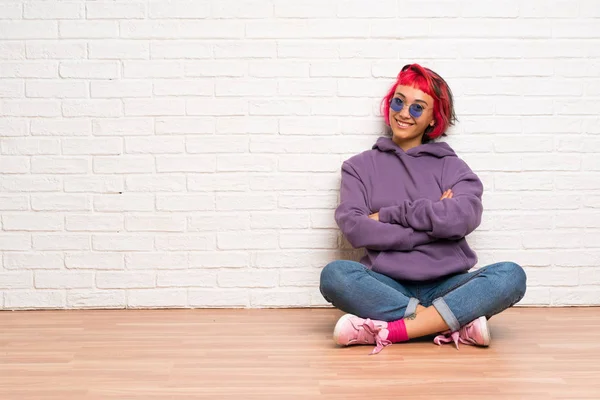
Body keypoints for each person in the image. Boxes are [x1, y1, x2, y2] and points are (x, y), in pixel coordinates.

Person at [319, 63, 527, 355]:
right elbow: (355, 228)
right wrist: (435, 225)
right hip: (386, 285)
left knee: (511, 276)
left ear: (432, 119)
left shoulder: (451, 166)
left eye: (418, 108)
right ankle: (451, 321)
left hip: (449, 284)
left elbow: (464, 216)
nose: (404, 113)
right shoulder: (358, 167)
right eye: (399, 102)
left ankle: (391, 329)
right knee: (335, 276)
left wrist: (390, 215)